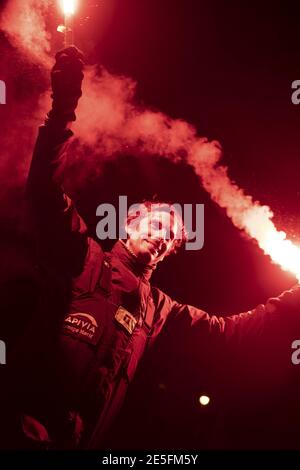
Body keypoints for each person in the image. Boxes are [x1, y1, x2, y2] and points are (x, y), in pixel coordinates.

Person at [20, 47, 300, 449]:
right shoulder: (81, 255)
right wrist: (63, 107)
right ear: (129, 223)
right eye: (158, 224)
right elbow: (45, 191)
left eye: (171, 238)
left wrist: (295, 300)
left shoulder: (160, 312)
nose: (163, 236)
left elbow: (227, 334)